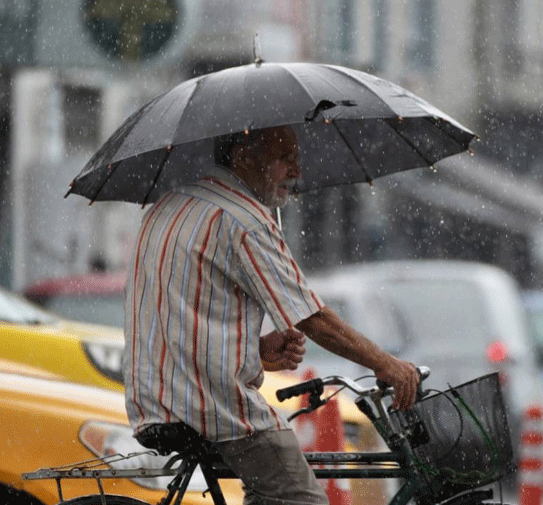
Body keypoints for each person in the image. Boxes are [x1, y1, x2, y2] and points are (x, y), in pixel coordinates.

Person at [123, 124, 419, 505]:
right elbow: (312, 318)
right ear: (244, 157)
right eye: (285, 159)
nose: (297, 172)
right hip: (210, 405)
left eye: (296, 159)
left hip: (155, 399)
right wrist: (385, 364)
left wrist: (258, 351)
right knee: (301, 500)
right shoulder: (244, 221)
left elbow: (180, 315)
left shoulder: (168, 206)